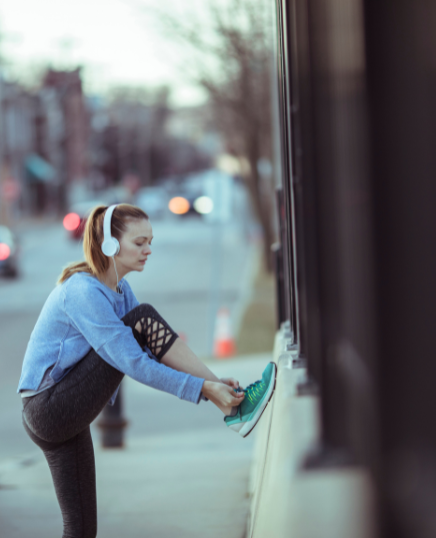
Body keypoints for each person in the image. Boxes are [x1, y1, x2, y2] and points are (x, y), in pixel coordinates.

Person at [17, 203, 276, 538]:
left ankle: (231, 401)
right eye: (139, 243)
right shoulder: (82, 291)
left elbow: (152, 351)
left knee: (81, 530)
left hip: (61, 411)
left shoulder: (119, 291)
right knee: (142, 318)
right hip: (50, 408)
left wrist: (212, 383)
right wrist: (202, 389)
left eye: (150, 241)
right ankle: (231, 406)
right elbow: (133, 362)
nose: (148, 250)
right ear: (109, 244)